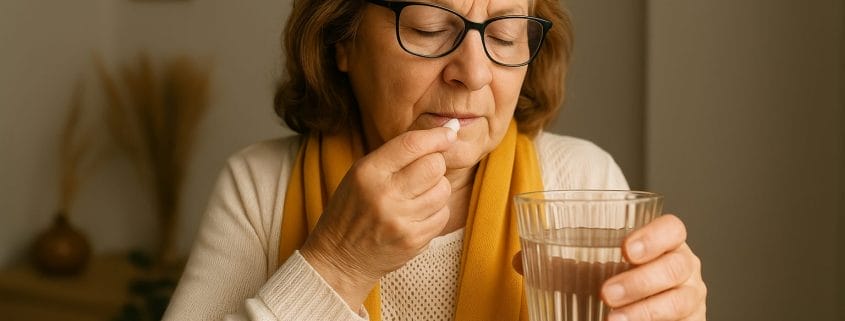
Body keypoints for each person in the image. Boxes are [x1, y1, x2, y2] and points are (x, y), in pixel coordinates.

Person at [163, 0, 707, 320]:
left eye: (506, 33)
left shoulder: (582, 182)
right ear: (341, 40)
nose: (473, 72)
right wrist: (335, 266)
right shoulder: (260, 186)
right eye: (428, 27)